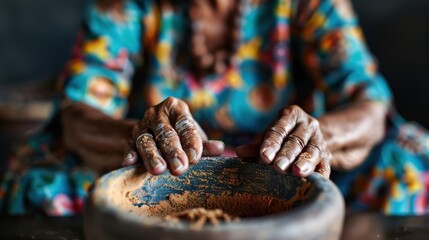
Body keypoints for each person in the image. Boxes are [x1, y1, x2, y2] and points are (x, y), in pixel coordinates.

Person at [1, 0, 429, 216]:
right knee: (37, 181)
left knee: (409, 166)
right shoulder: (127, 6)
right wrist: (140, 135)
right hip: (165, 177)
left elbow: (370, 103)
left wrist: (319, 139)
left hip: (285, 173)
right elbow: (79, 113)